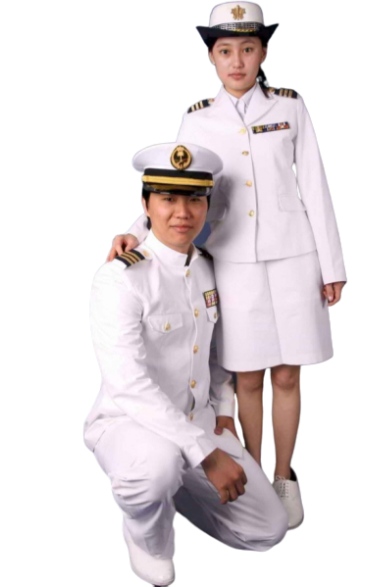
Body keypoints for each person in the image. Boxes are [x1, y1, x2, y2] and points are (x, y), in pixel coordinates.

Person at [106, 1, 348, 532]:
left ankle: (283, 476)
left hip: (295, 256)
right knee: (248, 378)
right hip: (233, 259)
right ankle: (256, 473)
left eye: (247, 49)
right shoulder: (197, 118)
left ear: (264, 53)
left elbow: (315, 183)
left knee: (288, 374)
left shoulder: (290, 107)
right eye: (225, 51)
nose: (237, 62)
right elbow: (175, 184)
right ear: (211, 59)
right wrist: (135, 232)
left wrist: (333, 265)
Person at [85, 142, 288, 587]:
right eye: (167, 198)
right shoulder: (120, 278)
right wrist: (206, 455)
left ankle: (172, 491)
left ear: (207, 205)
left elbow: (216, 356)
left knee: (267, 531)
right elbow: (127, 383)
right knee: (155, 468)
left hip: (198, 422)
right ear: (145, 205)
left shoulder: (209, 268)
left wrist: (225, 411)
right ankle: (147, 534)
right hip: (129, 422)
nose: (183, 212)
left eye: (195, 199)